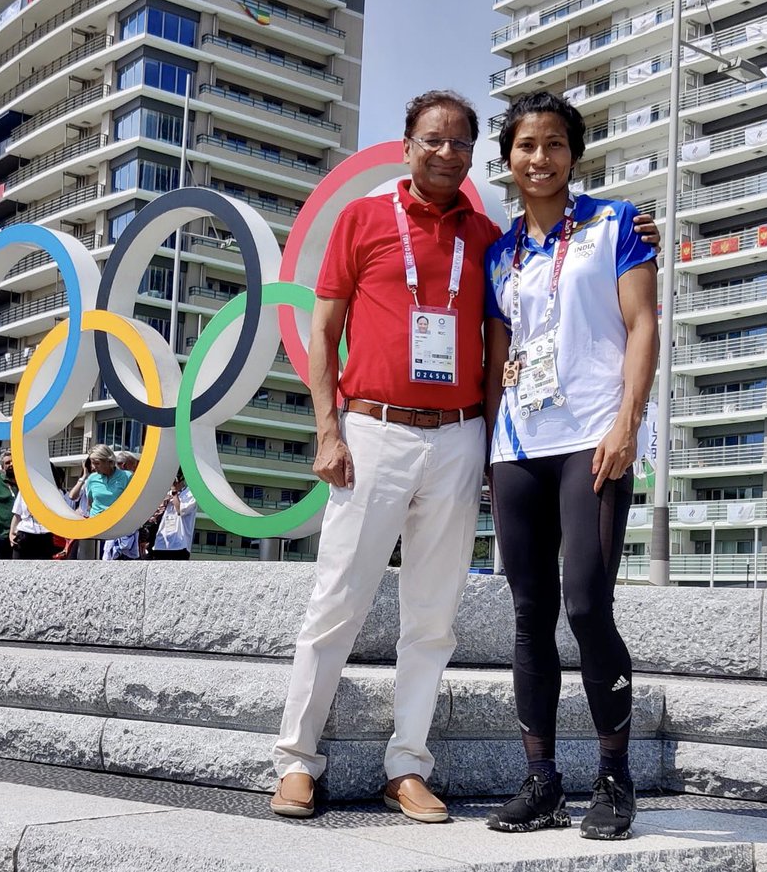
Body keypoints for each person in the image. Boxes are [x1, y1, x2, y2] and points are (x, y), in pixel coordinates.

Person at [271, 90, 661, 824]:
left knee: (440, 615)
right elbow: (323, 332)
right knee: (338, 602)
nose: (446, 153)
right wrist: (327, 429)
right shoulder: (375, 220)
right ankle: (296, 761)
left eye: (459, 143)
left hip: (467, 438)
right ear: (408, 142)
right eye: (432, 140)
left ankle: (411, 766)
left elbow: (533, 338)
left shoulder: (495, 236)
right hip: (383, 432)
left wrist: (617, 420)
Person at [482, 91, 658, 842]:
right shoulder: (501, 253)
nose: (540, 158)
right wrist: (488, 450)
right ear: (509, 160)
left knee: (586, 606)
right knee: (529, 617)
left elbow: (643, 323)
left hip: (594, 436)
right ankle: (542, 780)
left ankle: (614, 779)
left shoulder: (618, 224)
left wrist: (629, 422)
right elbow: (496, 359)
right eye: (526, 146)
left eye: (554, 144)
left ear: (574, 154)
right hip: (519, 446)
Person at [68, 445, 132, 557]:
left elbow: (131, 502)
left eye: (97, 463)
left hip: (117, 527)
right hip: (95, 526)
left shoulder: (127, 476)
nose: (93, 467)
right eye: (92, 463)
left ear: (109, 461)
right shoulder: (92, 478)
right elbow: (90, 504)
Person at [148, 470, 197, 560]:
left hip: (180, 545)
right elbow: (153, 517)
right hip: (161, 544)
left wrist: (174, 494)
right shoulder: (167, 493)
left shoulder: (190, 493)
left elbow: (180, 511)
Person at [9, 488, 56, 559]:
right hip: (25, 533)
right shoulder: (24, 490)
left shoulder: (53, 492)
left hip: (44, 535)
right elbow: (17, 514)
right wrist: (11, 533)